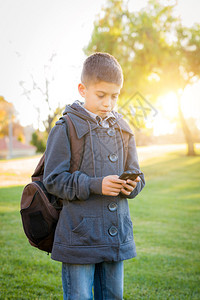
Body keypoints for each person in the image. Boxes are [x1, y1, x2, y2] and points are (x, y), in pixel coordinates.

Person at [43, 52, 145, 300]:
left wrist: (132, 185)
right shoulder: (65, 127)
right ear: (83, 89)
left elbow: (139, 176)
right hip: (79, 235)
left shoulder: (124, 128)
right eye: (101, 95)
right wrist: (95, 185)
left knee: (113, 296)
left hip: (115, 234)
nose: (108, 103)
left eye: (115, 96)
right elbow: (54, 180)